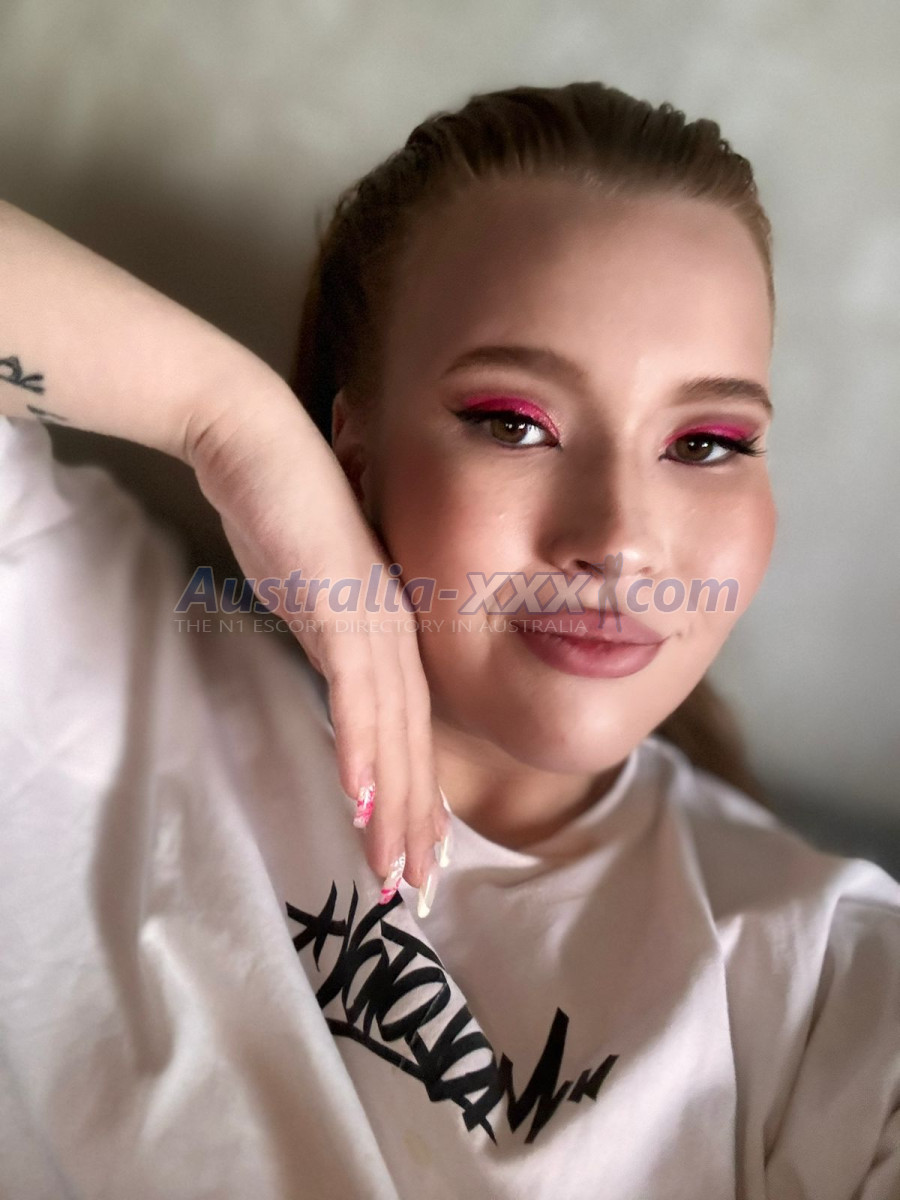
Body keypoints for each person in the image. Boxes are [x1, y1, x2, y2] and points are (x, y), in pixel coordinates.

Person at [0, 80, 897, 1200]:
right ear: (354, 448)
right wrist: (228, 422)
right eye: (515, 423)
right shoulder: (90, 653)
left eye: (708, 442)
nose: (619, 540)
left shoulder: (830, 986)